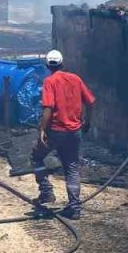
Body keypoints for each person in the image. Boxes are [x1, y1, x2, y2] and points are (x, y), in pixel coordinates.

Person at [31, 49, 95, 219]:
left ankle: (46, 191)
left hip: (56, 131)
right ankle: (74, 207)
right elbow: (90, 102)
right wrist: (87, 122)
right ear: (62, 64)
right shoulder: (75, 79)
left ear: (47, 66)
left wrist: (42, 130)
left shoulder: (49, 81)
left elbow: (48, 108)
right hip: (74, 131)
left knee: (36, 156)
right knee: (72, 167)